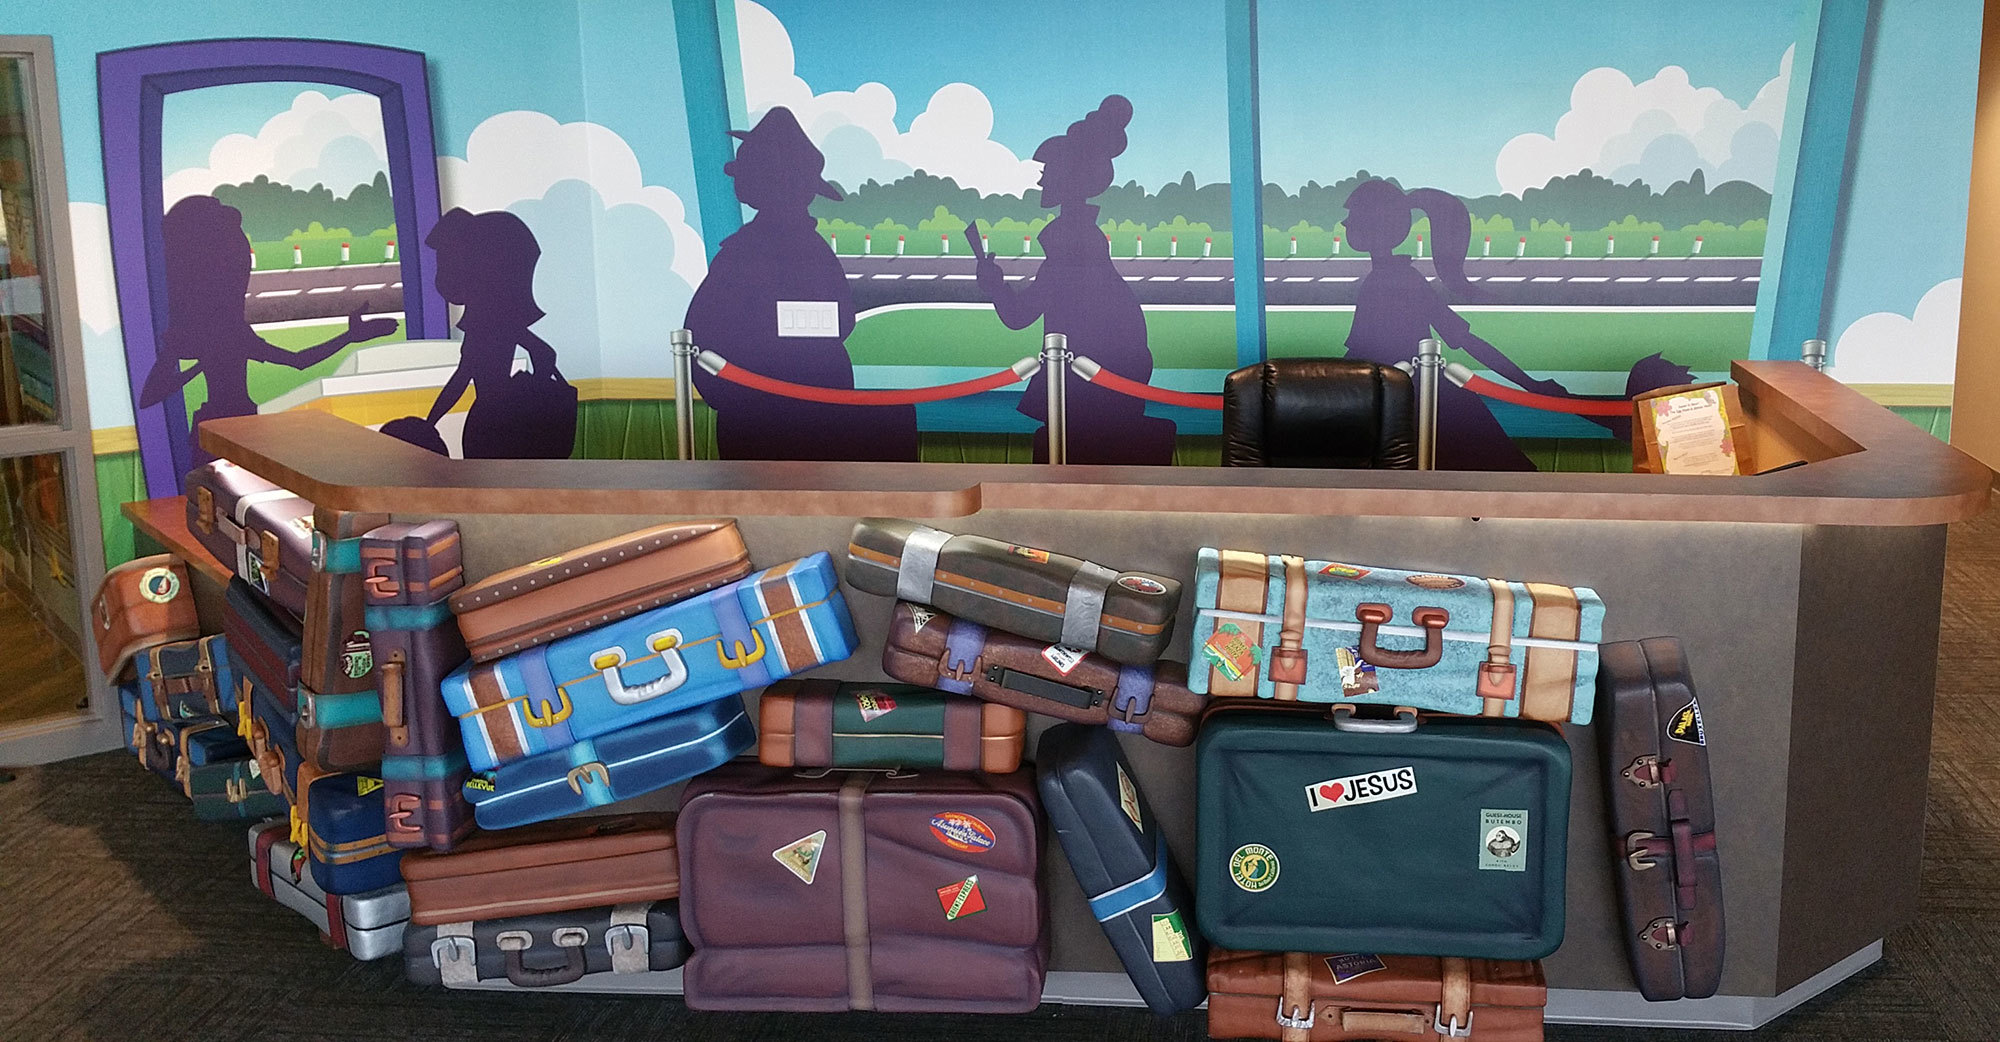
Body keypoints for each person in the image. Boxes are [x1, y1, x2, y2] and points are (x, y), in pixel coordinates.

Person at [684, 107, 919, 461]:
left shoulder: (775, 252)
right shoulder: (755, 252)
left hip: (805, 420)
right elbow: (702, 335)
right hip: (759, 420)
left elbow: (838, 322)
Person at [971, 94, 1175, 465]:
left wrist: (995, 285)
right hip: (1105, 389)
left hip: (1092, 398)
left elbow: (1019, 316)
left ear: (1068, 177)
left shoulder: (1071, 245)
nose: (1041, 177)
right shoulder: (1080, 240)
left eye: (1048, 170)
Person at [140, 195, 396, 469]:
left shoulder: (218, 330)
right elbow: (299, 361)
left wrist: (349, 336)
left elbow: (150, 395)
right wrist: (349, 337)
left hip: (222, 427)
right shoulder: (226, 331)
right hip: (235, 428)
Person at [406, 208, 576, 459]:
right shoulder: (484, 320)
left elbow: (544, 353)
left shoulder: (495, 321)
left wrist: (530, 395)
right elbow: (463, 377)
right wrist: (430, 422)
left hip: (499, 425)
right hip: (490, 421)